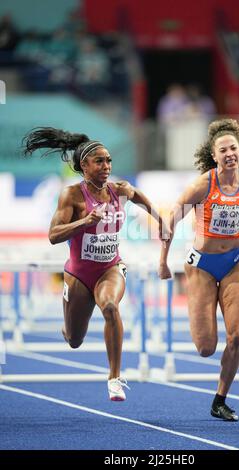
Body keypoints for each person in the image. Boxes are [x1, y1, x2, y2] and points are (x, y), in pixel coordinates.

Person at [23, 127, 162, 402]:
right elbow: (53, 236)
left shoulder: (119, 190)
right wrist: (84, 222)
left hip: (110, 268)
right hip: (78, 274)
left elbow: (139, 197)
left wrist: (161, 220)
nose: (106, 166)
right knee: (74, 339)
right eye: (99, 161)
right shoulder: (71, 196)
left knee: (110, 306)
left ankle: (114, 377)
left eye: (109, 160)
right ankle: (68, 326)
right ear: (83, 166)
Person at [159, 118, 239, 421]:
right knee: (206, 347)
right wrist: (163, 261)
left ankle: (220, 399)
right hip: (202, 266)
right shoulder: (202, 184)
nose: (229, 154)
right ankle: (201, 316)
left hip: (235, 263)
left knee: (236, 336)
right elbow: (171, 221)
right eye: (223, 150)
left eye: (233, 148)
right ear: (214, 155)